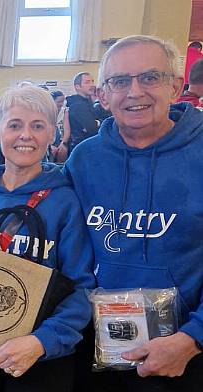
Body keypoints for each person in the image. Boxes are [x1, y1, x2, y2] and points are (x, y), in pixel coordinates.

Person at [65, 34, 203, 392]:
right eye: (120, 81)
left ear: (175, 87)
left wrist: (191, 339)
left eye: (150, 77)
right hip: (90, 345)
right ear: (104, 95)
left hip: (180, 352)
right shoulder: (84, 160)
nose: (135, 91)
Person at [0, 85, 95, 392]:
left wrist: (43, 341)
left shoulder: (66, 203)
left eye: (37, 126)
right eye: (15, 125)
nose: (26, 135)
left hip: (40, 359)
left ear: (52, 134)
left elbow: (82, 287)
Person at [66, 72, 100, 153]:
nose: (92, 85)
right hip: (82, 148)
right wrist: (99, 122)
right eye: (87, 82)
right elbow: (92, 129)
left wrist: (97, 122)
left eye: (92, 81)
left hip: (87, 146)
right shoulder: (78, 105)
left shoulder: (88, 102)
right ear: (77, 87)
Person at [49, 90, 71, 163]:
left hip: (62, 140)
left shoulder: (65, 111)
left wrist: (63, 144)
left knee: (63, 151)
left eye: (63, 101)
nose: (62, 104)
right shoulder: (46, 112)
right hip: (49, 141)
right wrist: (49, 145)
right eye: (59, 101)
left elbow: (67, 129)